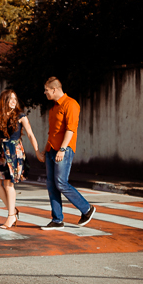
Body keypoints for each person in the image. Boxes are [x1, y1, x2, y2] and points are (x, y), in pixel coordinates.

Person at [41, 77, 96, 229]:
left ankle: (87, 209)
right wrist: (44, 150)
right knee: (52, 185)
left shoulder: (70, 104)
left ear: (54, 89)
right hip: (51, 150)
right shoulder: (53, 107)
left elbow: (70, 129)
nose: (44, 92)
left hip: (64, 150)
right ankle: (57, 220)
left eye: (46, 90)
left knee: (61, 182)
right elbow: (52, 132)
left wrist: (63, 149)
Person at [0, 89, 40, 229]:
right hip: (2, 154)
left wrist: (37, 151)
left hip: (14, 152)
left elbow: (30, 134)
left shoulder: (20, 116)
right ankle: (13, 211)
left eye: (15, 99)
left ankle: (11, 216)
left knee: (8, 185)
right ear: (4, 101)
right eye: (10, 99)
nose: (14, 101)